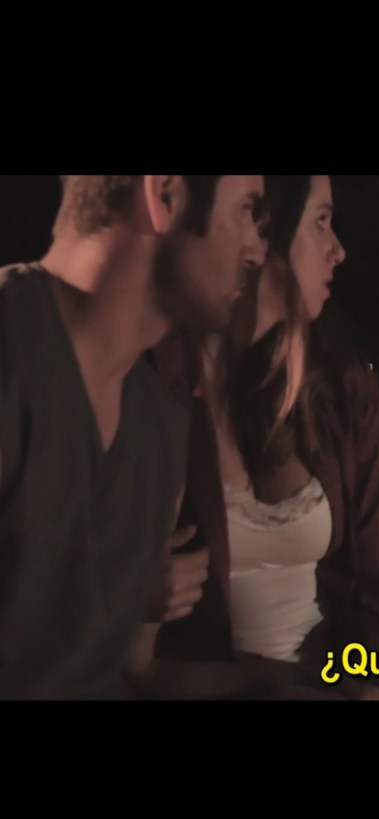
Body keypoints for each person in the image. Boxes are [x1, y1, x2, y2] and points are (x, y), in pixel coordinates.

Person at [151, 175, 379, 700]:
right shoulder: (162, 379)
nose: (338, 250)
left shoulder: (341, 387)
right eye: (321, 222)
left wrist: (377, 686)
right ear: (267, 229)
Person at [0, 175, 266, 699]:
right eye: (246, 210)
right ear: (164, 195)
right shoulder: (12, 353)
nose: (257, 249)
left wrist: (290, 682)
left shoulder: (159, 427)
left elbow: (129, 671)